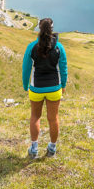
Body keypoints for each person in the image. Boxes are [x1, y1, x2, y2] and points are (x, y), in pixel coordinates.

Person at [22, 18, 67, 158]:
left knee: (35, 116)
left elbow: (26, 68)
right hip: (54, 88)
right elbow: (63, 69)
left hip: (36, 88)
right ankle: (52, 149)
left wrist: (25, 86)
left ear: (39, 29)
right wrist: (63, 85)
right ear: (52, 29)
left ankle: (34, 149)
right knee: (53, 118)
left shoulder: (32, 47)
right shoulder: (59, 47)